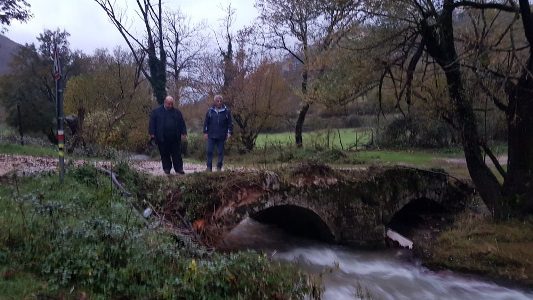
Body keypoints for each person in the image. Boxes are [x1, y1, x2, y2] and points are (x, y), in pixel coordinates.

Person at [149, 96, 187, 174]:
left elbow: (182, 123)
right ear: (165, 102)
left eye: (171, 104)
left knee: (177, 154)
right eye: (168, 104)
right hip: (162, 137)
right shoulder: (156, 112)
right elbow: (152, 124)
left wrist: (184, 133)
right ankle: (166, 168)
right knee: (164, 154)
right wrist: (152, 134)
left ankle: (179, 169)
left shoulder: (177, 112)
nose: (170, 106)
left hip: (175, 138)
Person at [203, 94, 233, 171]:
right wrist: (205, 132)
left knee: (220, 152)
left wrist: (229, 133)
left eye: (220, 101)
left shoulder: (227, 111)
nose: (219, 102)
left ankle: (219, 167)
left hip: (222, 136)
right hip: (211, 135)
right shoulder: (210, 111)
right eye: (217, 101)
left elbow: (230, 123)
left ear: (222, 102)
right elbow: (206, 123)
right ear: (215, 101)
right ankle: (209, 167)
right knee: (209, 151)